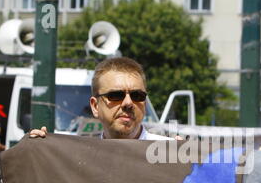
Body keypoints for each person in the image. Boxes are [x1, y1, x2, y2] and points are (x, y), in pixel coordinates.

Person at [31, 57, 173, 141]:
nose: (128, 103)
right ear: (95, 106)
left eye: (137, 96)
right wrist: (39, 151)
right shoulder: (79, 156)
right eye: (116, 95)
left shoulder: (171, 154)